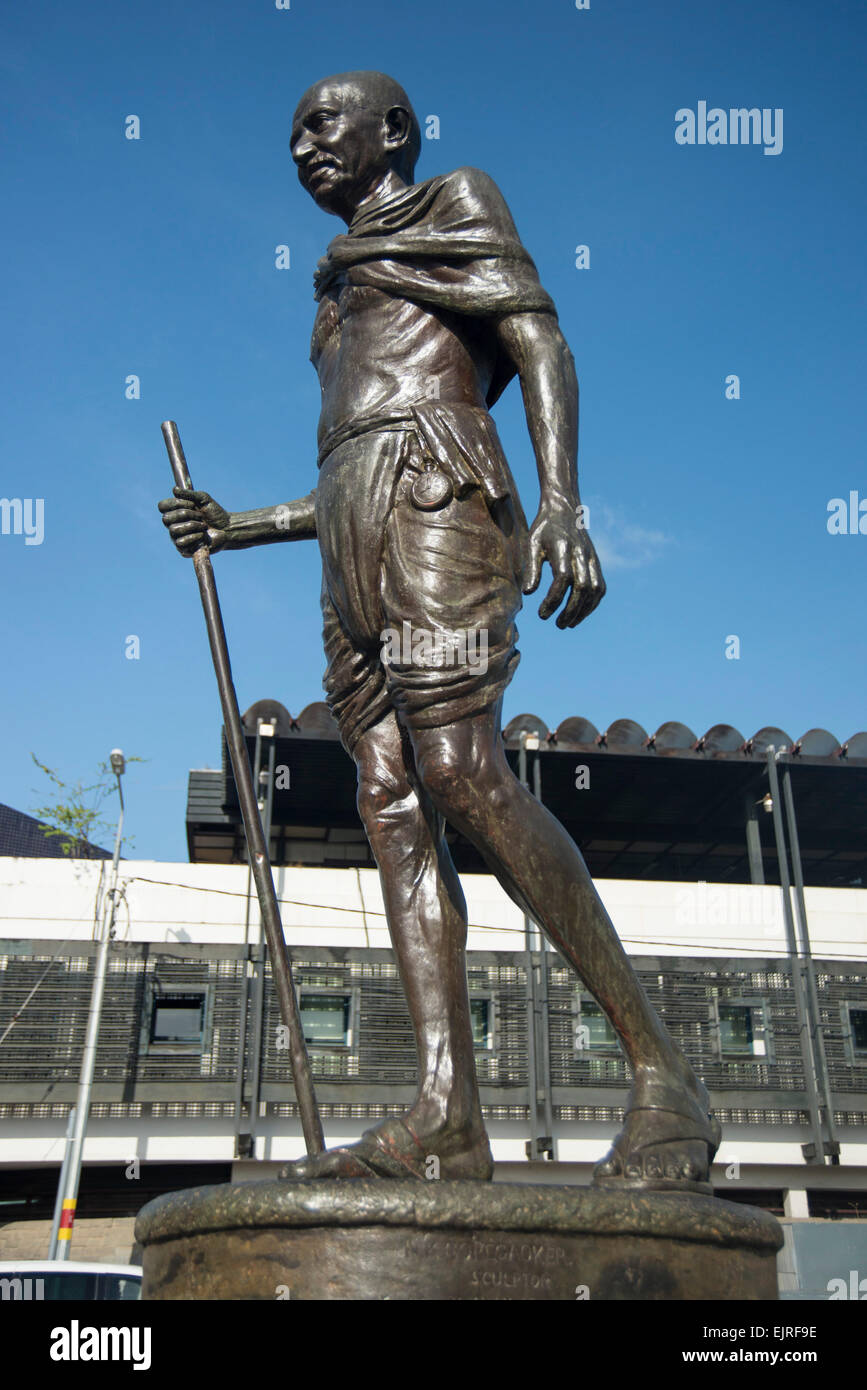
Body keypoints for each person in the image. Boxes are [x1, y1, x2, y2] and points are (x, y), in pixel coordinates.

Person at [160, 71, 720, 1191]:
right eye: (292, 133)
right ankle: (445, 1112)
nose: (305, 143)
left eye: (327, 121)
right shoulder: (332, 289)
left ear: (394, 131)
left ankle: (669, 1079)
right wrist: (241, 523)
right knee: (390, 800)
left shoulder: (456, 199)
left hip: (438, 502)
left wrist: (561, 504)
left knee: (463, 777)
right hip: (353, 533)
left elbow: (542, 344)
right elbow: (343, 461)